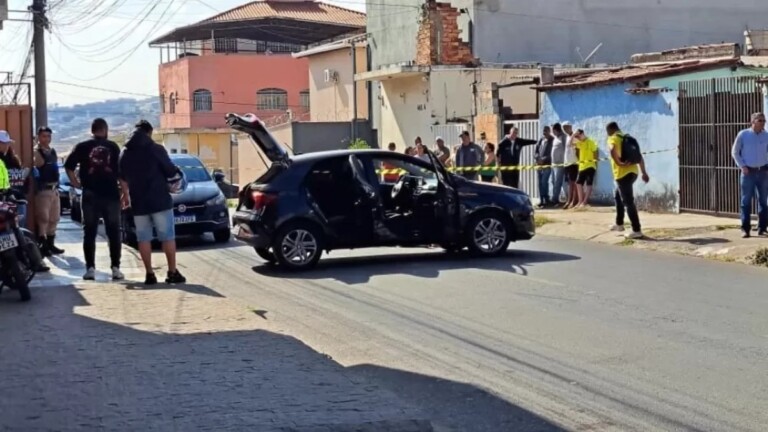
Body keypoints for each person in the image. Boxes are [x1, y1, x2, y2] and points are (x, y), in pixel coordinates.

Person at [119, 120, 186, 285]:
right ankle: (172, 272)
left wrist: (126, 194)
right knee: (167, 237)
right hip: (160, 200)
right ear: (149, 133)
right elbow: (170, 170)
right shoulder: (156, 149)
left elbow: (121, 176)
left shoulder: (124, 152)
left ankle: (149, 274)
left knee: (143, 239)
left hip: (139, 203)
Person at [64, 118, 124, 281]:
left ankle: (90, 268)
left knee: (89, 231)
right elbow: (120, 172)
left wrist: (75, 183)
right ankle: (115, 268)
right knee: (113, 231)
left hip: (90, 194)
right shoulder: (112, 147)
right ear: (105, 130)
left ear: (92, 130)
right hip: (111, 194)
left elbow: (68, 166)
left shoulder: (82, 146)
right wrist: (125, 192)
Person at [0, 130, 49, 273]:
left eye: (7, 143)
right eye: (4, 143)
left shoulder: (12, 160)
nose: (6, 145)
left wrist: (19, 191)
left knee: (19, 232)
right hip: (5, 201)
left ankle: (31, 262)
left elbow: (16, 180)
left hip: (11, 201)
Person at [606, 122, 649, 239]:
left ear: (610, 130)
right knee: (618, 196)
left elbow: (611, 149)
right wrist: (644, 172)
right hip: (633, 172)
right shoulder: (628, 138)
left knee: (628, 202)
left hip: (622, 174)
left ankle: (637, 230)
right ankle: (619, 224)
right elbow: (639, 156)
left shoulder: (613, 138)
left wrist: (619, 163)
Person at [731, 112, 768, 238]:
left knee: (763, 201)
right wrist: (742, 166)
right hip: (748, 172)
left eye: (764, 120)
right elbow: (735, 152)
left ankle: (762, 228)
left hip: (763, 171)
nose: (763, 122)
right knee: (745, 201)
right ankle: (745, 229)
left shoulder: (766, 135)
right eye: (760, 120)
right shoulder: (744, 134)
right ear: (752, 122)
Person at [32, 126, 64, 256]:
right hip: (43, 190)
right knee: (43, 218)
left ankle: (51, 244)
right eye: (44, 136)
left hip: (54, 189)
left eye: (49, 136)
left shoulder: (52, 151)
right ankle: (43, 245)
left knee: (54, 218)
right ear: (38, 137)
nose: (47, 139)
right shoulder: (37, 151)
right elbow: (37, 165)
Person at [573, 129, 599, 207]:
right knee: (578, 183)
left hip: (590, 166)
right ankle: (580, 201)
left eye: (579, 136)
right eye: (577, 137)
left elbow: (595, 153)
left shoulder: (591, 142)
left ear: (583, 134)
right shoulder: (579, 143)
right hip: (582, 166)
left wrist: (595, 164)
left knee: (589, 183)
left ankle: (584, 202)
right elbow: (570, 144)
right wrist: (573, 135)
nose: (578, 138)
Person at [533, 126, 554, 208]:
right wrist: (537, 158)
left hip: (547, 164)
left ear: (549, 131)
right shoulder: (541, 140)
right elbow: (536, 151)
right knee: (540, 183)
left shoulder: (552, 140)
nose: (544, 133)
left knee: (544, 182)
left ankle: (546, 199)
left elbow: (552, 153)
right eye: (543, 131)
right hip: (539, 165)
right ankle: (542, 200)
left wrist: (543, 159)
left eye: (546, 131)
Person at [562, 122, 580, 209]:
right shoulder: (567, 137)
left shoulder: (575, 136)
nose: (565, 129)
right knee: (570, 183)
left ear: (570, 127)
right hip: (567, 163)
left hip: (574, 162)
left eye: (566, 127)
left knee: (574, 182)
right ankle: (569, 200)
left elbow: (577, 149)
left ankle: (573, 200)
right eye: (564, 128)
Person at [550, 123, 568, 206]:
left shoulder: (563, 137)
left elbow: (565, 149)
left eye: (552, 130)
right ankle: (556, 197)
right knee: (553, 181)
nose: (552, 132)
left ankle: (555, 199)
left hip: (560, 163)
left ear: (556, 130)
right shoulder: (555, 138)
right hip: (553, 163)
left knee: (558, 181)